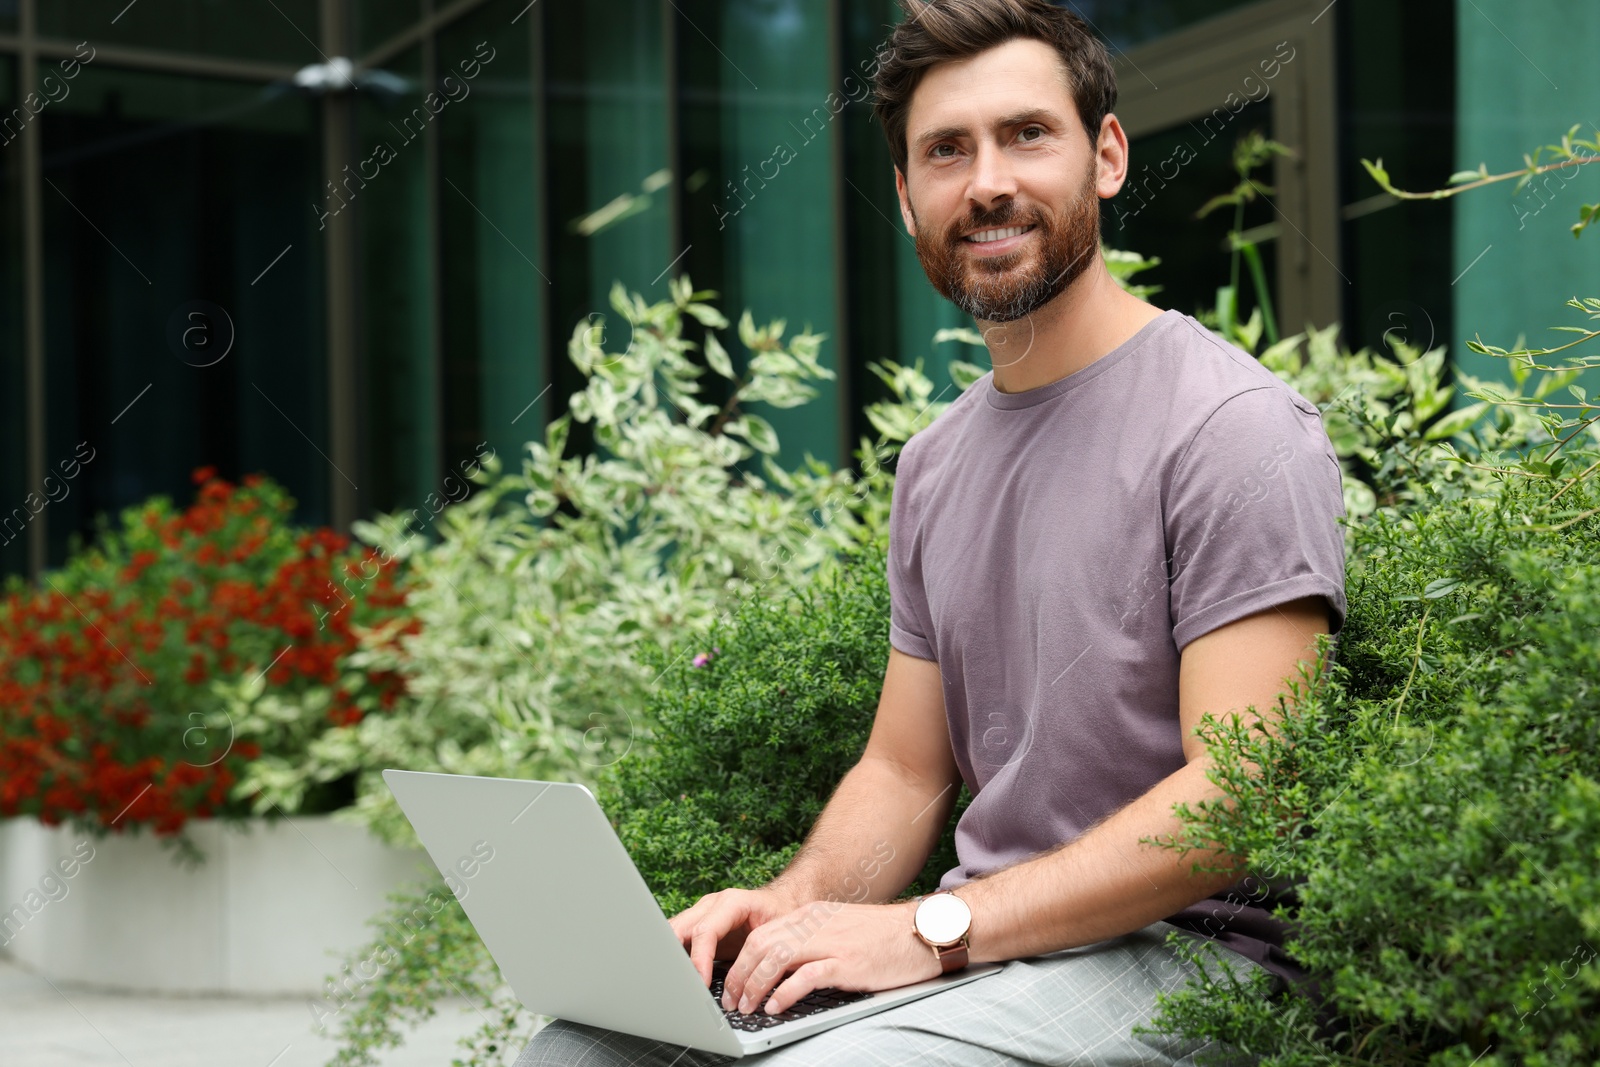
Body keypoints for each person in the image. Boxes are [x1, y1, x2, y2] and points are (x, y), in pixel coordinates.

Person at [515, 0, 1346, 1063]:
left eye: (1025, 135)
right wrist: (790, 910)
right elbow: (906, 771)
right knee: (585, 1048)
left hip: (1196, 961)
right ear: (908, 199)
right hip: (997, 956)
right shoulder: (937, 464)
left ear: (1105, 156)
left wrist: (931, 928)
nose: (987, 180)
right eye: (946, 151)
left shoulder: (1232, 428)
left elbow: (1240, 796)